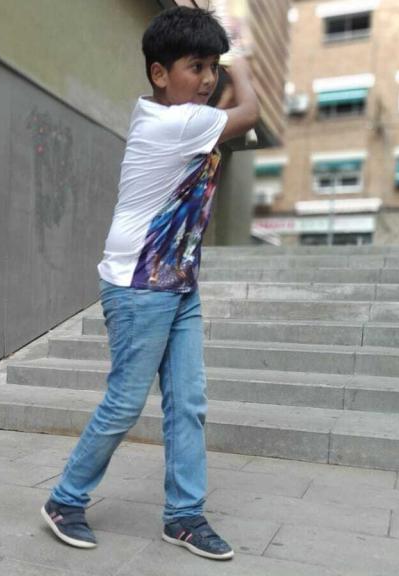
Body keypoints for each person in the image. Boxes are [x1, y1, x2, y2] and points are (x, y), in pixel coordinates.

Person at [40, 5, 259, 562]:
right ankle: (65, 500)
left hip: (176, 280)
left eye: (214, 66)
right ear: (159, 74)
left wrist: (222, 67)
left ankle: (184, 516)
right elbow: (250, 112)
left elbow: (230, 123)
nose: (209, 79)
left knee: (188, 403)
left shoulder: (181, 118)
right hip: (140, 283)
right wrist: (245, 62)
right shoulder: (174, 123)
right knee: (125, 402)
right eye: (196, 66)